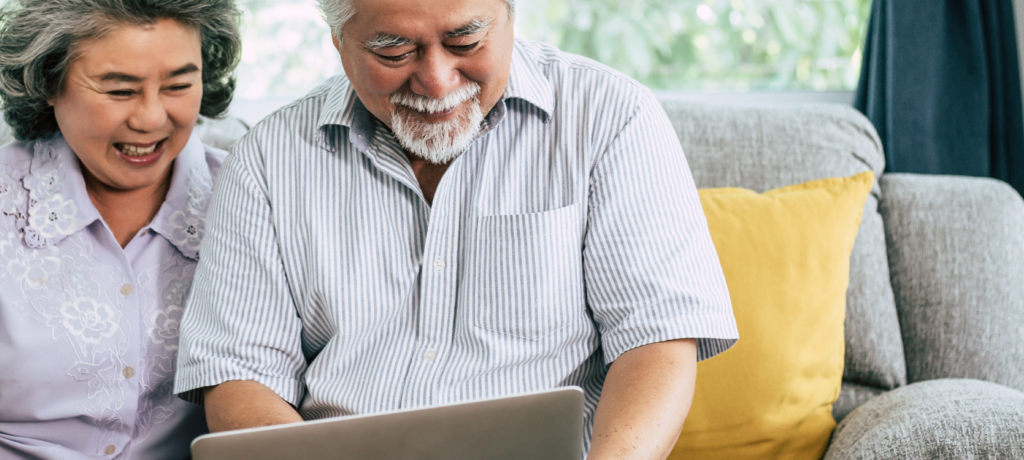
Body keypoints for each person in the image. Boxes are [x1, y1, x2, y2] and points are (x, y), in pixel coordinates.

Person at [173, 0, 739, 458]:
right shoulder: (268, 160)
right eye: (394, 49)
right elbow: (241, 377)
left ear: (511, 16)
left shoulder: (613, 118)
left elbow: (657, 341)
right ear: (339, 41)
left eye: (466, 41)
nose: (438, 82)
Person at [0, 0, 240, 458]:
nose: (150, 118)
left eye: (179, 85)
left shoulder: (244, 199)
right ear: (48, 81)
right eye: (120, 90)